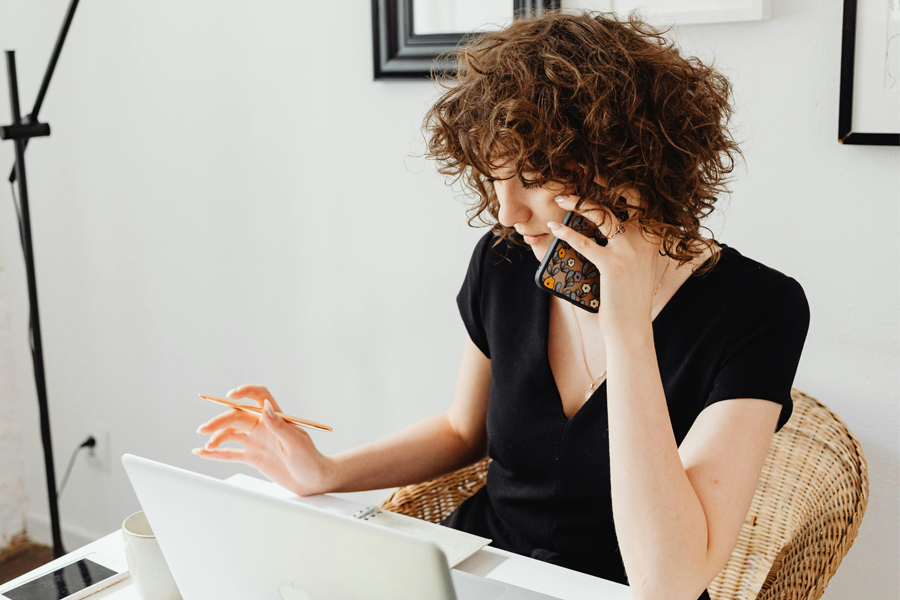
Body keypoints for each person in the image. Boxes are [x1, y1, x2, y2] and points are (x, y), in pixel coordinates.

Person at [193, 11, 809, 600]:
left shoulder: (760, 309)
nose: (506, 214)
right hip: (471, 571)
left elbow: (670, 581)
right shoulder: (506, 259)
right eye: (493, 181)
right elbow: (463, 431)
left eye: (533, 179)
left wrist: (626, 328)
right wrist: (326, 472)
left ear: (627, 161)